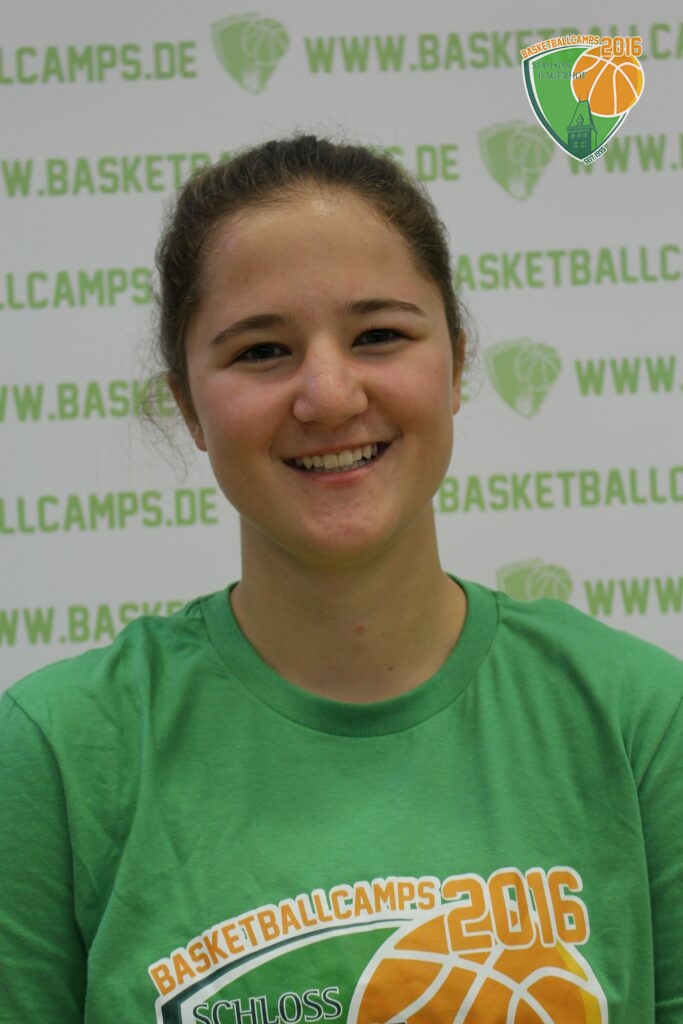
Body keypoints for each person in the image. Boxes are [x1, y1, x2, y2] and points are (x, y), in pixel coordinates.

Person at [0, 135, 681, 1024]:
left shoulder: (639, 722)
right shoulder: (56, 754)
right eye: (261, 351)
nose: (328, 395)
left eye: (378, 336)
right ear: (189, 407)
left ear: (456, 366)